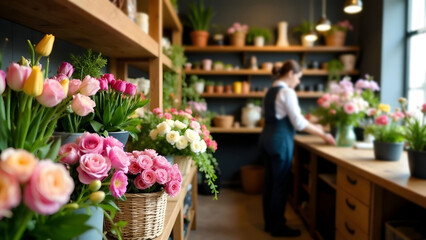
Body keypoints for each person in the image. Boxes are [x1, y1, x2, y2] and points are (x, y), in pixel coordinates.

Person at [259, 60, 335, 237]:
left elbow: (275, 116)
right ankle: (278, 227)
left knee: (269, 182)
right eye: (299, 77)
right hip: (280, 141)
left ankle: (269, 223)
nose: (299, 82)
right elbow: (298, 123)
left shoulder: (269, 91)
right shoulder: (287, 92)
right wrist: (323, 134)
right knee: (280, 184)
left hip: (265, 139)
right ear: (291, 73)